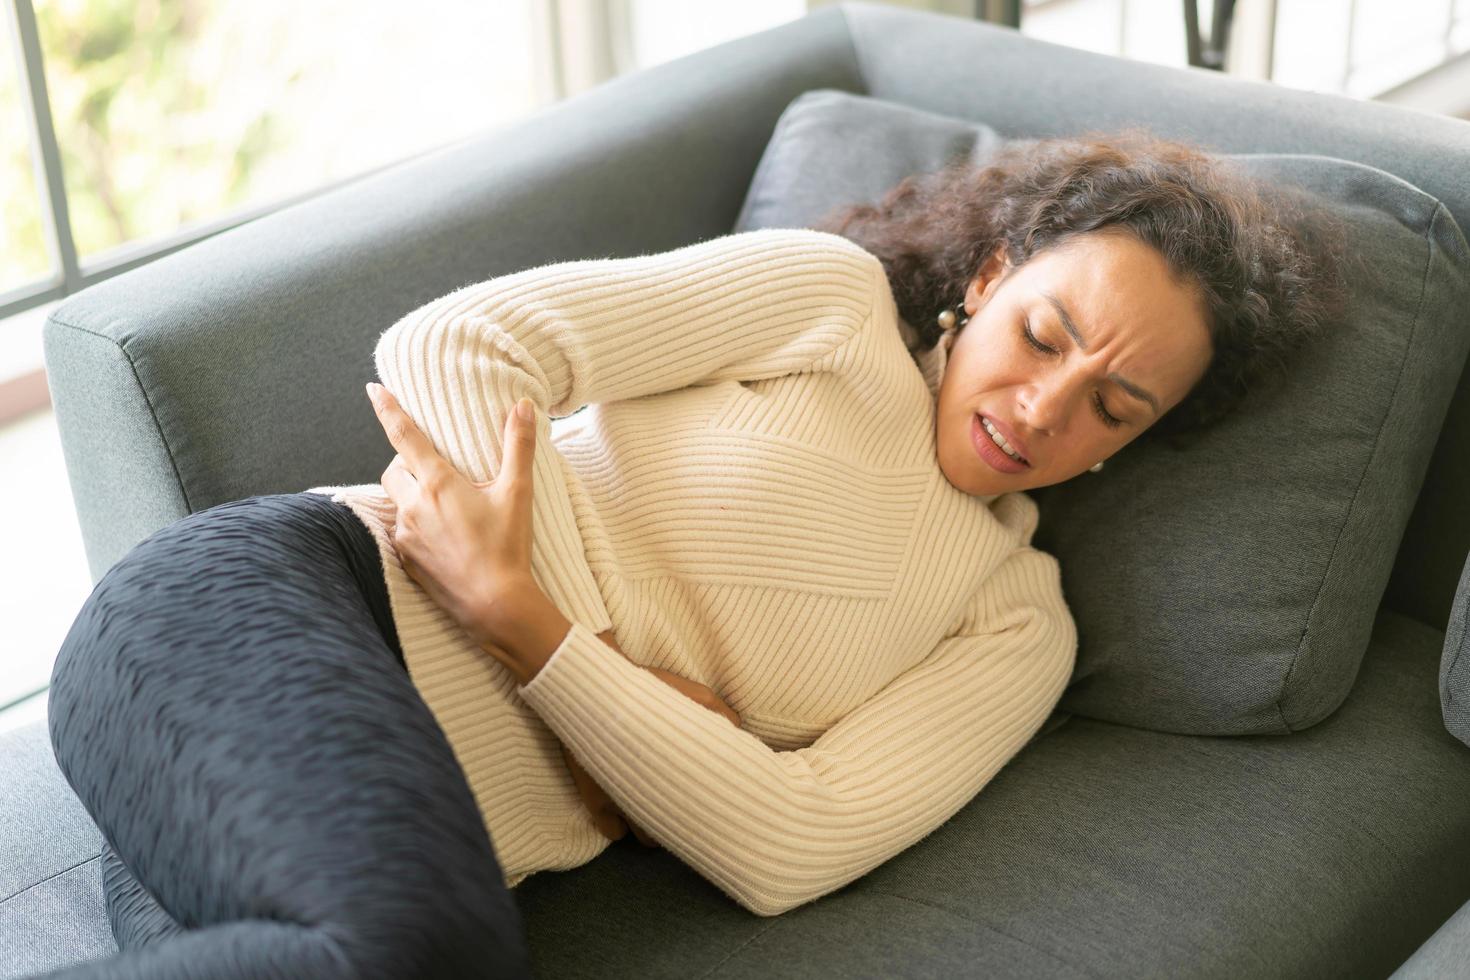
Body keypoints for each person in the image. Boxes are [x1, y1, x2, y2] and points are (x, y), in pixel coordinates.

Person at [41, 130, 1349, 979]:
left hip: (340, 852)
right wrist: (615, 681)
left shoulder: (1016, 622)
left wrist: (534, 631)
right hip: (281, 611)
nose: (1044, 408)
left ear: (1141, 441)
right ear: (990, 274)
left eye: (1114, 409)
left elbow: (787, 847)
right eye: (1044, 335)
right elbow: (452, 350)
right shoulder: (823, 307)